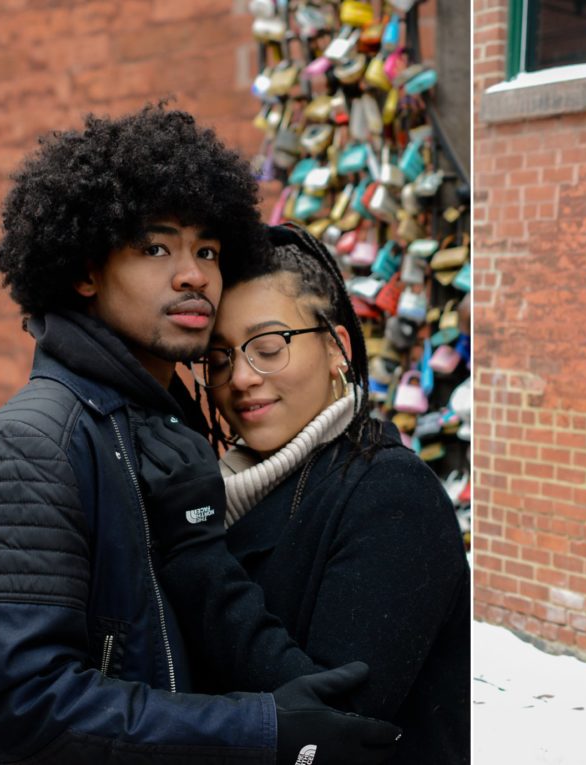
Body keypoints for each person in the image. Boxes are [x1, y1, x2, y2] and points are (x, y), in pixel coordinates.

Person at [0, 105, 399, 764]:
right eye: (156, 247)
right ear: (85, 270)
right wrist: (259, 729)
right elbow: (19, 704)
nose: (194, 274)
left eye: (208, 250)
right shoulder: (30, 446)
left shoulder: (168, 434)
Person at [186, 223, 470, 764]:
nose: (240, 377)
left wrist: (194, 560)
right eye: (219, 358)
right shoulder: (231, 493)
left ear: (338, 347)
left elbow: (338, 725)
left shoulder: (389, 494)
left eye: (268, 347)